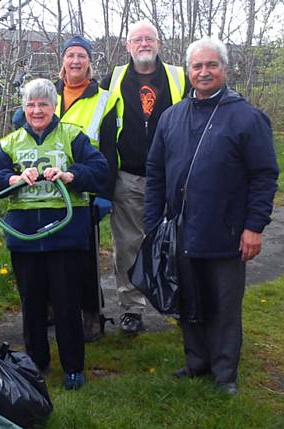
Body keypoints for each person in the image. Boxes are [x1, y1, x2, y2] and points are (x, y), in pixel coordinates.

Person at [145, 37, 278, 395]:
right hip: (182, 231)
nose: (203, 72)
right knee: (190, 300)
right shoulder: (172, 117)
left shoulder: (247, 117)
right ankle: (197, 362)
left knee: (223, 305)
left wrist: (254, 227)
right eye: (197, 66)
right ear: (188, 72)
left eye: (211, 65)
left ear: (224, 68)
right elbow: (155, 173)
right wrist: (152, 226)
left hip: (228, 232)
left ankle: (224, 373)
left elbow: (264, 176)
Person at [0, 78, 108, 390]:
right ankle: (36, 362)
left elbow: (101, 170)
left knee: (67, 303)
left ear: (54, 107)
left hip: (65, 234)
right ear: (24, 108)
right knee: (32, 303)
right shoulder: (10, 142)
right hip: (24, 236)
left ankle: (73, 367)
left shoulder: (73, 136)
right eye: (31, 105)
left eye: (43, 104)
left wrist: (70, 175)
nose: (37, 110)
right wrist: (12, 179)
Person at [101, 21, 188, 335]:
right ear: (127, 46)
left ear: (159, 42)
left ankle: (181, 303)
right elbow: (88, 109)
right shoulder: (113, 79)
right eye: (137, 39)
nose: (143, 44)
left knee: (180, 243)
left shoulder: (181, 76)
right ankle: (131, 309)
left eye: (148, 38)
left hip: (175, 178)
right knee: (128, 246)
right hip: (129, 178)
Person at [55, 35, 119, 342]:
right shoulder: (49, 93)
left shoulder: (104, 98)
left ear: (89, 61)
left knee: (85, 256)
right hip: (49, 188)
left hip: (86, 187)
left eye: (82, 56)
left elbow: (109, 149)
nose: (76, 61)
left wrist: (105, 193)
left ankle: (92, 313)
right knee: (50, 252)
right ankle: (54, 308)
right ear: (63, 61)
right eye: (71, 55)